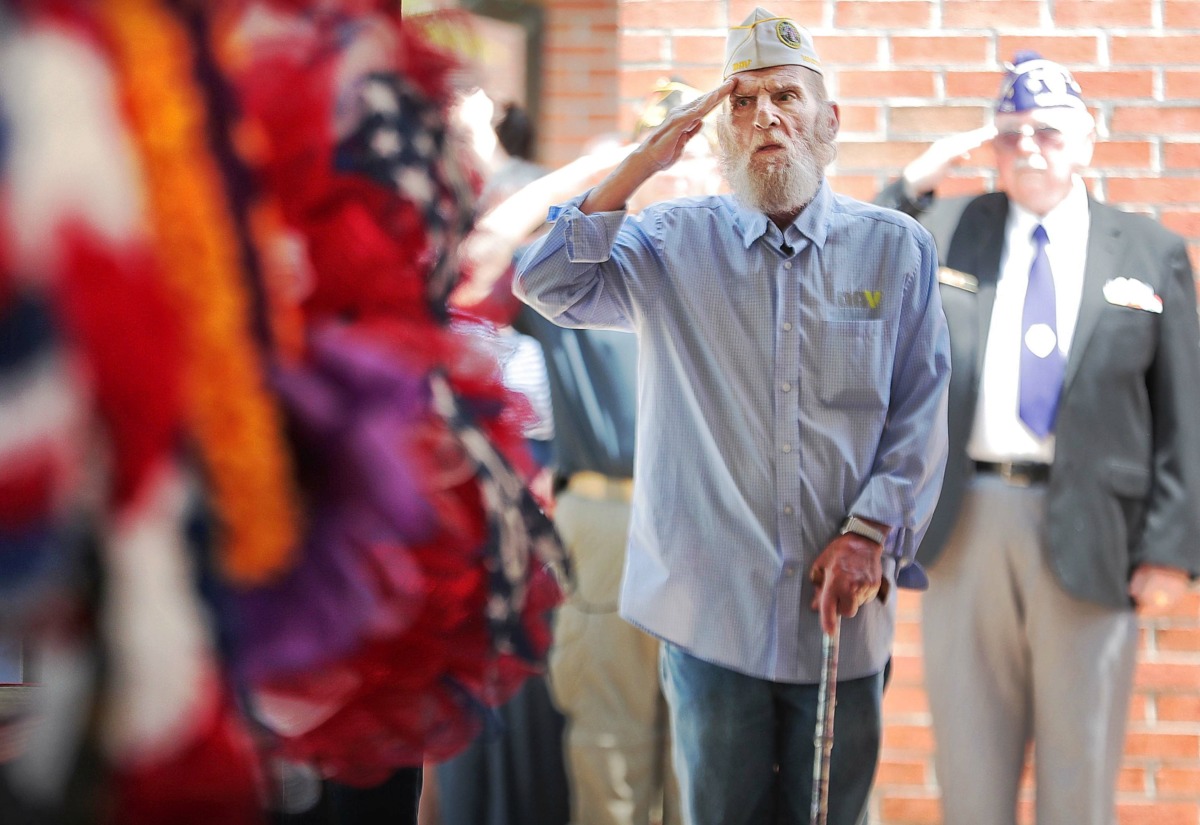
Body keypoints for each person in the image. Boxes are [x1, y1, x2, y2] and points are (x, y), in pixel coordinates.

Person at [513, 8, 951, 824]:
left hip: (841, 619)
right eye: (741, 103)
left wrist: (870, 532)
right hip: (709, 617)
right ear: (719, 130)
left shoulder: (895, 250)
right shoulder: (670, 242)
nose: (765, 117)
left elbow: (920, 414)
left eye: (786, 95)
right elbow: (545, 283)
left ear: (830, 121)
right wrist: (634, 169)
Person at [875, 52, 1200, 825]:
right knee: (971, 770)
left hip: (1095, 531)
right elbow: (865, 261)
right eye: (1011, 133)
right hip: (967, 527)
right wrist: (915, 180)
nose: (1030, 148)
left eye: (1049, 132)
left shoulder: (1147, 251)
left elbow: (1183, 410)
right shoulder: (953, 229)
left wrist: (1171, 548)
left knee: (1079, 774)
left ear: (1086, 139)